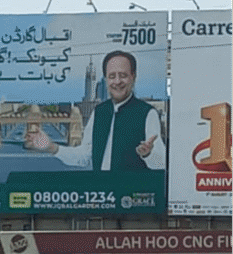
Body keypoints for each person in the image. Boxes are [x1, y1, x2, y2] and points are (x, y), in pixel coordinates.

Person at [24, 50, 165, 171]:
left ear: (133, 77)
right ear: (106, 79)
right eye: (112, 76)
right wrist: (50, 146)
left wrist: (148, 154)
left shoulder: (147, 113)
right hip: (101, 191)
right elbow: (83, 157)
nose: (117, 81)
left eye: (123, 75)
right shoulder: (99, 112)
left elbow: (161, 164)